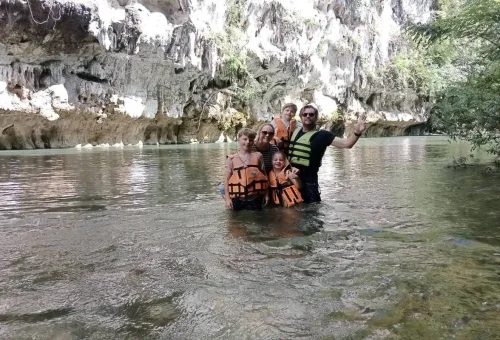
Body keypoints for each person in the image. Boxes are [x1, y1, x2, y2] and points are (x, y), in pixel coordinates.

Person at [288, 104, 366, 203]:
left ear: (316, 117)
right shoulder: (294, 131)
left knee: (310, 211)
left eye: (311, 114)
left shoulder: (323, 135)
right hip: (291, 179)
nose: (308, 116)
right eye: (305, 114)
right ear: (301, 116)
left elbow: (347, 144)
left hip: (309, 182)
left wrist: (357, 132)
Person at [223, 128, 269, 210]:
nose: (247, 142)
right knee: (235, 222)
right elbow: (226, 179)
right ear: (239, 139)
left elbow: (264, 176)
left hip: (255, 197)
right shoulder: (231, 159)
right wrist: (227, 199)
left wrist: (266, 194)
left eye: (251, 140)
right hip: (237, 199)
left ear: (253, 141)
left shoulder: (258, 156)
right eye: (245, 139)